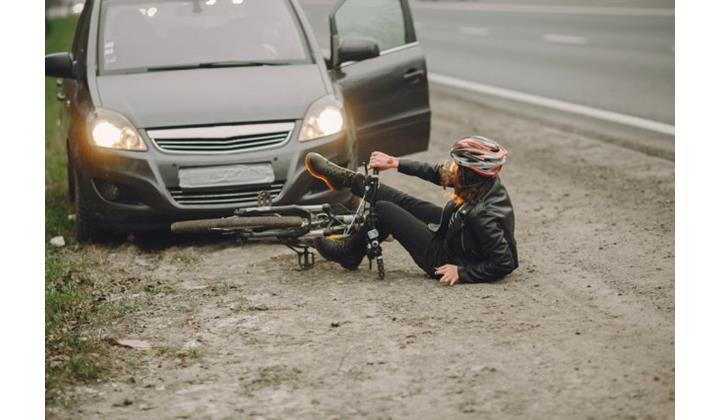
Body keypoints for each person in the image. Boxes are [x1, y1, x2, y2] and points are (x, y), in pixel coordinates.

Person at [305, 136, 518, 286]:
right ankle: (349, 180)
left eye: (458, 167)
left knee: (385, 210)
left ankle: (350, 253)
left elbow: (505, 262)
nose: (453, 169)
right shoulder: (481, 183)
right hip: (457, 231)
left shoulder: (483, 215)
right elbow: (437, 173)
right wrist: (395, 163)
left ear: (471, 173)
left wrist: (462, 272)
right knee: (404, 201)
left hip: (444, 257)